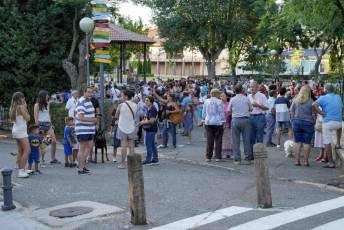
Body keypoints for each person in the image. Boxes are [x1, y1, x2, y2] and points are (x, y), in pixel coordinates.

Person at [313, 83, 343, 168]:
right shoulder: (338, 97)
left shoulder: (323, 97)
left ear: (325, 90)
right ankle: (338, 143)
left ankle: (331, 162)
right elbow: (341, 106)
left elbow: (314, 104)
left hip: (328, 122)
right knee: (339, 127)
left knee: (327, 142)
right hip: (338, 122)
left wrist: (321, 112)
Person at [290, 85, 315, 166]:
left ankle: (297, 161)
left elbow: (292, 112)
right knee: (307, 143)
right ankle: (306, 161)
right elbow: (314, 114)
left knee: (297, 142)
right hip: (308, 123)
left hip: (297, 122)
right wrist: (313, 122)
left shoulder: (295, 100)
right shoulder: (311, 101)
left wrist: (293, 120)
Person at [75, 86, 97, 174]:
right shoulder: (82, 101)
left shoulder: (89, 101)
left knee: (89, 147)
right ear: (84, 92)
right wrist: (92, 120)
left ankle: (82, 166)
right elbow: (80, 117)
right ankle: (80, 168)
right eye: (88, 92)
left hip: (89, 129)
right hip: (82, 129)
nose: (90, 94)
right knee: (82, 149)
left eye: (91, 92)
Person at [229, 84, 253, 165]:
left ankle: (237, 159)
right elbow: (251, 109)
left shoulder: (232, 99)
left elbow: (229, 110)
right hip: (245, 120)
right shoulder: (246, 98)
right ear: (242, 90)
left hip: (235, 120)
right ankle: (247, 158)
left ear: (234, 91)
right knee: (246, 140)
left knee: (236, 140)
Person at [114, 89, 138, 169]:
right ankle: (132, 164)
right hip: (131, 126)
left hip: (122, 127)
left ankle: (123, 163)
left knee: (123, 146)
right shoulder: (135, 105)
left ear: (126, 96)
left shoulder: (121, 105)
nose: (121, 97)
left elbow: (116, 116)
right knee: (131, 146)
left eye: (122, 95)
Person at [34, 90, 59, 164]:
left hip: (48, 124)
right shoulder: (37, 105)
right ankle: (40, 159)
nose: (48, 96)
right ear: (43, 96)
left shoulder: (48, 104)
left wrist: (51, 124)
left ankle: (53, 158)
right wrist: (38, 127)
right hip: (41, 124)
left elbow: (48, 114)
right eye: (47, 95)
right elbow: (35, 117)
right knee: (41, 143)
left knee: (53, 141)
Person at [10, 92, 31, 178]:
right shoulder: (21, 107)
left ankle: (21, 169)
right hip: (21, 131)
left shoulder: (13, 107)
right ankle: (21, 171)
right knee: (27, 150)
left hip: (16, 130)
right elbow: (27, 118)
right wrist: (25, 108)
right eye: (23, 98)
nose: (24, 99)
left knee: (20, 151)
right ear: (20, 98)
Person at [202, 89, 225, 162]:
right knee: (218, 140)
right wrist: (223, 121)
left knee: (209, 140)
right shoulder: (219, 101)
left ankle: (208, 157)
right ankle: (218, 156)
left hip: (208, 122)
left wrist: (203, 119)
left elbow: (204, 112)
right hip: (218, 122)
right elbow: (221, 112)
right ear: (217, 94)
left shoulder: (206, 101)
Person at [248, 81, 268, 153]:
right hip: (250, 117)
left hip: (260, 117)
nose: (251, 88)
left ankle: (259, 155)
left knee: (259, 137)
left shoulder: (262, 96)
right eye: (250, 87)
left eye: (253, 86)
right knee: (251, 137)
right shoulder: (248, 96)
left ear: (257, 87)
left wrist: (258, 105)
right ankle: (251, 155)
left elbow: (267, 108)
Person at [138, 96, 159, 165]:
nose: (145, 101)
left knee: (149, 144)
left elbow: (152, 121)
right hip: (151, 129)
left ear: (151, 101)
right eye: (145, 100)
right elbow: (148, 118)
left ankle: (148, 159)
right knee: (152, 144)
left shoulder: (152, 109)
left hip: (151, 129)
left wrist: (142, 122)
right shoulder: (149, 108)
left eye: (147, 100)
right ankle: (155, 158)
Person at [221, 92, 232, 158]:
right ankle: (221, 152)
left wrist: (226, 114)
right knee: (221, 138)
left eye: (223, 96)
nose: (221, 97)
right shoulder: (219, 104)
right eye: (221, 96)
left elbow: (230, 112)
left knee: (227, 138)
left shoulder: (229, 104)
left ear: (227, 97)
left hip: (227, 123)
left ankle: (227, 153)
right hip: (220, 123)